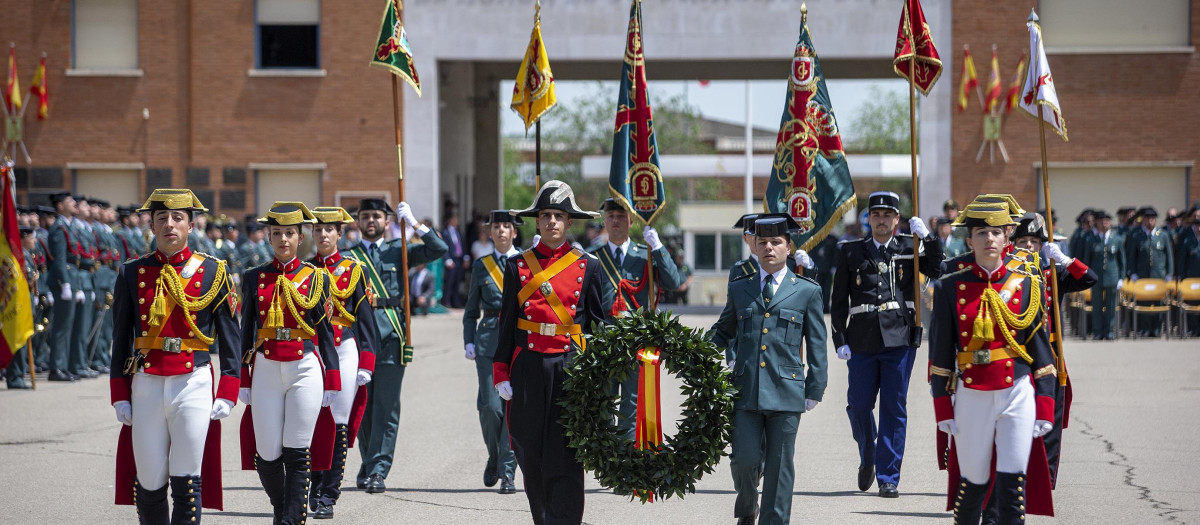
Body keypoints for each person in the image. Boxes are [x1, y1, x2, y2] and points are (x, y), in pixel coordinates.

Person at [109, 188, 242, 524]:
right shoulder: (131, 273)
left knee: (187, 479)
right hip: (147, 382)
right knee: (150, 481)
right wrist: (119, 394)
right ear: (151, 226)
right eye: (161, 218)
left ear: (191, 226)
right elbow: (121, 338)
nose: (169, 224)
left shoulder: (214, 272)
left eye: (178, 218)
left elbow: (230, 337)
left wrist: (229, 388)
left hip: (192, 381)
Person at [928, 201, 1057, 525]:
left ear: (1007, 237)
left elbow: (1041, 351)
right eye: (981, 232)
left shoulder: (1026, 283)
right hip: (972, 392)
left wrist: (1044, 404)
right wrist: (942, 406)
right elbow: (941, 356)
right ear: (969, 241)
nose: (989, 238)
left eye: (996, 232)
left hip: (1016, 390)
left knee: (1013, 489)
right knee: (972, 484)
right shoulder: (948, 287)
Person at [492, 180, 604, 524]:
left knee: (566, 452)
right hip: (527, 365)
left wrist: (601, 372)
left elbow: (600, 325)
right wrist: (500, 371)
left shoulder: (590, 266)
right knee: (527, 447)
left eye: (559, 215)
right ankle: (543, 517)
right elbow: (507, 323)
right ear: (537, 222)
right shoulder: (517, 267)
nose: (552, 221)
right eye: (546, 215)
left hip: (569, 367)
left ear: (570, 223)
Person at [708, 216, 828, 525]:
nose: (768, 248)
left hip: (787, 392)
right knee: (744, 460)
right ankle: (747, 504)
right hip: (746, 390)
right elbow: (723, 331)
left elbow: (816, 345)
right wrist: (692, 353)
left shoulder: (807, 291)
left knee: (779, 467)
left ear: (789, 247)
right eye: (762, 242)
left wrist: (814, 388)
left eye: (776, 243)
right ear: (754, 245)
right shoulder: (740, 288)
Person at [830, 191, 943, 498]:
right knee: (859, 405)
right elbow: (839, 300)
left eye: (887, 215)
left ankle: (888, 476)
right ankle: (868, 454)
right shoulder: (851, 250)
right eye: (875, 214)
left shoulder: (910, 247)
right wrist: (839, 337)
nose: (881, 220)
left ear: (897, 219)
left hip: (899, 338)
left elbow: (939, 270)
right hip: (862, 339)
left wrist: (929, 239)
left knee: (894, 408)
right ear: (869, 218)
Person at [238, 201, 340, 525]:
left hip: (305, 367)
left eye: (290, 234)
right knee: (266, 455)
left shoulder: (317, 277)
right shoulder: (253, 277)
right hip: (266, 366)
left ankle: (292, 519)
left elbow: (326, 333)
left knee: (297, 451)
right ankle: (282, 506)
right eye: (277, 233)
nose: (284, 240)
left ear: (301, 237)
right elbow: (246, 330)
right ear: (268, 237)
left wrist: (333, 377)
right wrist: (242, 377)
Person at [342, 199, 447, 494]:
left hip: (391, 338)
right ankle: (368, 462)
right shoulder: (348, 256)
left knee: (386, 408)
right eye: (365, 216)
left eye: (377, 216)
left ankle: (378, 469)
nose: (371, 220)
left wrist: (415, 224)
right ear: (358, 222)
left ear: (388, 222)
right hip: (357, 339)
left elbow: (439, 249)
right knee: (362, 407)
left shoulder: (399, 250)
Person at [586, 198, 682, 440]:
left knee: (633, 406)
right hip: (604, 340)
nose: (615, 221)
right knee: (604, 405)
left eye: (621, 216)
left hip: (637, 340)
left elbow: (674, 282)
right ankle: (609, 464)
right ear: (605, 221)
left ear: (631, 221)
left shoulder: (645, 253)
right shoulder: (593, 257)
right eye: (611, 217)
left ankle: (626, 464)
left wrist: (658, 247)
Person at [307, 206, 380, 519]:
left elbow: (366, 322)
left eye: (329, 229)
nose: (323, 235)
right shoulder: (303, 270)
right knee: (308, 420)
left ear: (339, 233)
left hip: (344, 348)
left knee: (336, 422)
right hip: (310, 352)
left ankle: (327, 493)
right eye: (318, 230)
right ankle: (311, 480)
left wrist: (367, 362)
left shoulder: (353, 270)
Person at [462, 210, 523, 494]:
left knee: (512, 407)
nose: (500, 230)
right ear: (490, 232)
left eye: (505, 226)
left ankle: (507, 472)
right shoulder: (482, 265)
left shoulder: (527, 261)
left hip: (518, 340)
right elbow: (470, 309)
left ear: (514, 232)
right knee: (490, 407)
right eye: (495, 226)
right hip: (487, 340)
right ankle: (495, 457)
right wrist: (468, 339)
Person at [46, 192, 80, 382]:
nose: (74, 203)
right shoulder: (59, 228)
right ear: (60, 206)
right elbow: (59, 260)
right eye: (69, 201)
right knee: (61, 327)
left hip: (72, 279)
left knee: (68, 327)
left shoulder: (69, 226)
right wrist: (65, 282)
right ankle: (56, 368)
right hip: (62, 281)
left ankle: (63, 366)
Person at [1125, 207, 1173, 336]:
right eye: (1147, 219)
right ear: (1143, 220)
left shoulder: (1163, 235)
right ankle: (1145, 329)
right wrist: (1132, 272)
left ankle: (1156, 329)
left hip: (1159, 275)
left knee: (1158, 302)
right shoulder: (1136, 235)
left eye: (1152, 219)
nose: (1150, 221)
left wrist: (1169, 273)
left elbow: (1169, 255)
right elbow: (1131, 256)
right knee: (1144, 302)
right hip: (1142, 275)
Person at [1081, 210, 1124, 340]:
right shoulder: (1091, 239)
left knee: (1111, 306)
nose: (1104, 224)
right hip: (1096, 277)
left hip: (1112, 277)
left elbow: (1122, 260)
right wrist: (1086, 277)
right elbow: (1086, 260)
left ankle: (1109, 331)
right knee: (1097, 306)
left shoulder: (1117, 239)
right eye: (1101, 221)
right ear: (1097, 223)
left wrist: (1121, 278)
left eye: (1106, 221)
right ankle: (1097, 331)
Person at [441, 213, 468, 308]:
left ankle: (456, 301)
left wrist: (465, 257)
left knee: (458, 281)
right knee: (450, 282)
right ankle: (446, 300)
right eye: (455, 219)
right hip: (451, 260)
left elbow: (462, 245)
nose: (457, 221)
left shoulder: (458, 232)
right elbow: (444, 247)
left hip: (459, 260)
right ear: (450, 220)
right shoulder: (445, 232)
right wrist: (447, 259)